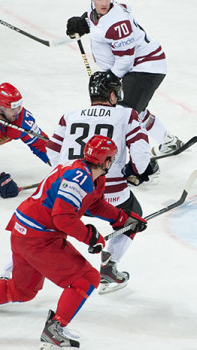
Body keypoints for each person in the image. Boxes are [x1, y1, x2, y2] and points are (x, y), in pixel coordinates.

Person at [0, 135, 148, 349]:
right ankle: (54, 329)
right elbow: (63, 217)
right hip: (38, 238)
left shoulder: (91, 176)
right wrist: (89, 236)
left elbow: (94, 205)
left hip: (25, 232)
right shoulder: (79, 177)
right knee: (86, 278)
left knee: (23, 290)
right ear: (106, 161)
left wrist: (124, 218)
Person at [46, 71, 159, 294]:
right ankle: (109, 266)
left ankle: (9, 272)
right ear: (112, 95)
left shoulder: (69, 115)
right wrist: (136, 171)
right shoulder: (127, 115)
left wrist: (68, 176)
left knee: (42, 230)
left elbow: (51, 152)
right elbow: (141, 154)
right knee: (132, 217)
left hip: (69, 190)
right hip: (109, 191)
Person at [65, 0, 184, 157]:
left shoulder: (117, 22)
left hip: (146, 67)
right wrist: (81, 23)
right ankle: (169, 142)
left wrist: (111, 77)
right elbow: (94, 19)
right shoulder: (97, 11)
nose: (104, 3)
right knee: (136, 110)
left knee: (123, 113)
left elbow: (126, 59)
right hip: (133, 68)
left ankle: (145, 165)